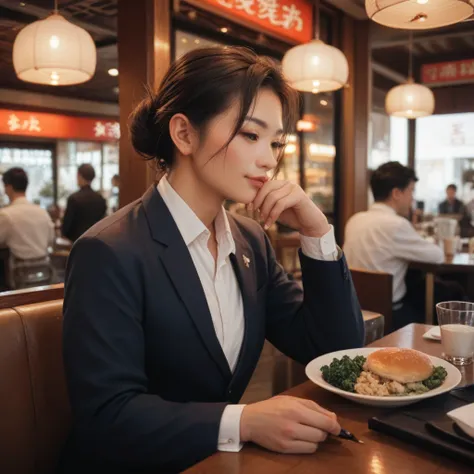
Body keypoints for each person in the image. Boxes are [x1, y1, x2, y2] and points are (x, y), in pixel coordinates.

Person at [59, 47, 364, 474]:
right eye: (251, 135)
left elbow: (333, 350)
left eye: (276, 142)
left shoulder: (250, 240)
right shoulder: (108, 251)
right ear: (184, 135)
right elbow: (107, 416)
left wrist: (317, 234)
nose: (269, 160)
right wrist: (244, 420)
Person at [344, 162, 447, 329]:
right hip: (390, 315)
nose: (412, 198)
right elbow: (437, 256)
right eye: (411, 191)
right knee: (441, 294)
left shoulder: (355, 220)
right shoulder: (396, 225)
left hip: (354, 309)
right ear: (396, 193)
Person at [0, 167, 54, 261]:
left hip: (17, 270)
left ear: (8, 187)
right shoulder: (42, 212)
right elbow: (50, 240)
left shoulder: (6, 215)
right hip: (44, 269)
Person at [61, 164, 107, 242]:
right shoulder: (101, 199)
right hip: (97, 241)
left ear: (79, 175)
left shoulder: (73, 198)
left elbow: (66, 228)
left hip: (77, 242)